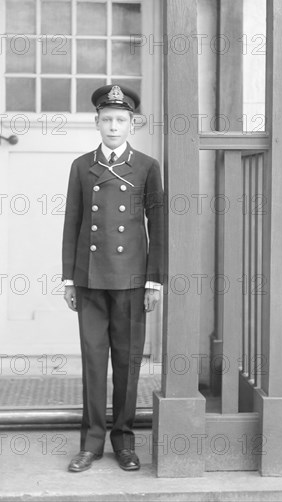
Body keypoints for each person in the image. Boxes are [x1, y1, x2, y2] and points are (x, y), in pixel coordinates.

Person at [62, 84, 164, 472]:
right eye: (107, 120)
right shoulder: (81, 166)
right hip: (89, 279)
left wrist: (154, 281)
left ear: (132, 124)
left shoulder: (147, 167)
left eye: (121, 120)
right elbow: (72, 224)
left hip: (132, 280)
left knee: (127, 362)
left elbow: (159, 226)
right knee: (92, 361)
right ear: (97, 123)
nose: (113, 126)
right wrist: (69, 279)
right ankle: (91, 443)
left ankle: (123, 440)